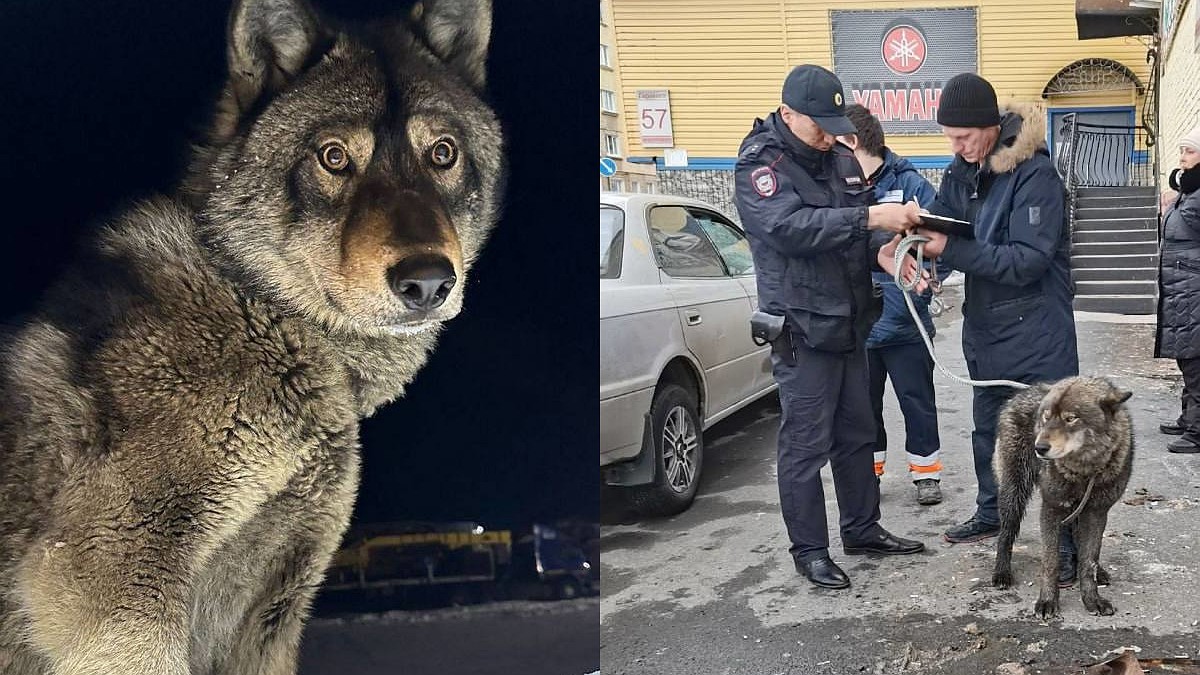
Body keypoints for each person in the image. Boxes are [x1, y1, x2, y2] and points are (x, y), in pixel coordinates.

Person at [734, 64, 927, 591]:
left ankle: (862, 529)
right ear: (787, 112)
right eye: (817, 122)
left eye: (832, 122)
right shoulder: (760, 165)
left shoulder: (841, 158)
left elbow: (855, 234)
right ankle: (811, 551)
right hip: (800, 328)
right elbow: (789, 229)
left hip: (849, 322)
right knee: (805, 445)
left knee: (857, 434)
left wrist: (886, 254)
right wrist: (871, 221)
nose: (828, 133)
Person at [913, 73, 1081, 581]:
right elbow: (939, 227)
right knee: (988, 432)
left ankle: (1067, 542)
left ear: (991, 126)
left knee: (1053, 445)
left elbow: (1028, 261)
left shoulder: (1036, 175)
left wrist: (952, 251)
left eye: (964, 137)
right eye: (949, 137)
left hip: (1039, 332)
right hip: (986, 331)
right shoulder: (962, 171)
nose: (956, 146)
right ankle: (993, 514)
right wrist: (922, 259)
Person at [839, 104, 944, 506]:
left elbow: (940, 244)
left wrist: (928, 281)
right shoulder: (839, 185)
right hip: (859, 325)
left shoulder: (912, 185)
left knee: (917, 402)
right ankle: (870, 472)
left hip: (905, 323)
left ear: (853, 141)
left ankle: (926, 472)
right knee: (863, 409)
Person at [1155, 125, 1200, 453]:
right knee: (1188, 358)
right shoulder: (1189, 190)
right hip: (1181, 288)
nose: (1182, 157)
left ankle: (1198, 431)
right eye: (1182, 151)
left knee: (1196, 361)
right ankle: (1189, 419)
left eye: (1190, 151)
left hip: (1194, 289)